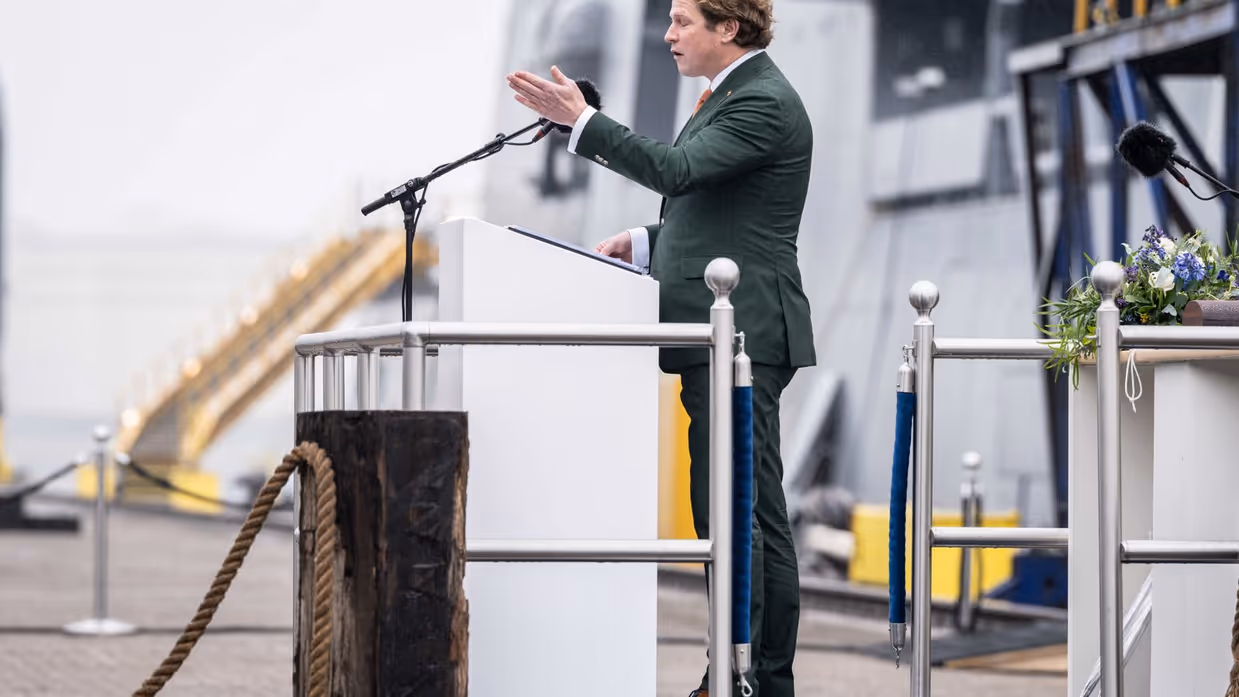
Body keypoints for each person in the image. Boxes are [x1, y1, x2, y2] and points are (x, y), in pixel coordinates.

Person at [507, 1, 814, 694]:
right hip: (723, 329)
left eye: (681, 20)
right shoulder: (731, 96)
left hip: (744, 334)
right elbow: (713, 203)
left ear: (727, 28)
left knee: (742, 511)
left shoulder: (760, 99)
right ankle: (739, 672)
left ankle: (752, 678)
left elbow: (677, 170)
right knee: (737, 508)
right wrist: (646, 242)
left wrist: (581, 122)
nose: (668, 34)